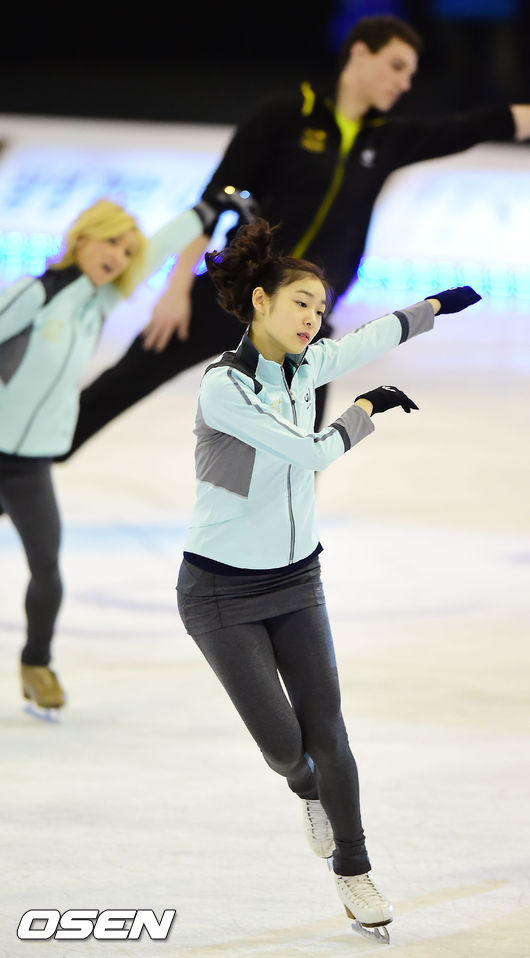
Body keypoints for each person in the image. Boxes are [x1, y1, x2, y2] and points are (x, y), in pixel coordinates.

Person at [175, 217, 481, 941]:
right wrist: (365, 409)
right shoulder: (225, 387)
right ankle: (304, 786)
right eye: (300, 303)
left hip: (296, 580)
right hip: (219, 592)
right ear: (260, 302)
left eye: (319, 307)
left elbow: (366, 340)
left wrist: (431, 308)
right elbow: (311, 452)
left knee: (330, 728)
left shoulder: (304, 366)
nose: (313, 318)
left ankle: (354, 865)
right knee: (287, 746)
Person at [58, 13, 530, 460]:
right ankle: (27, 464)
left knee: (304, 450)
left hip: (303, 320)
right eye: (396, 66)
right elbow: (213, 201)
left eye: (410, 73)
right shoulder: (285, 115)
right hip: (233, 294)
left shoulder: (385, 139)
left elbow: (471, 128)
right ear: (360, 54)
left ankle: (291, 525)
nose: (405, 83)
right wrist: (176, 288)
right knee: (119, 386)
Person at [0, 188, 252, 715]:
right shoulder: (35, 292)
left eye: (126, 249)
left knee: (46, 566)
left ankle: (36, 665)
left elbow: (155, 251)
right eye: (111, 242)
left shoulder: (98, 303)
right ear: (83, 238)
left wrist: (204, 214)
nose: (119, 256)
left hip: (30, 467)